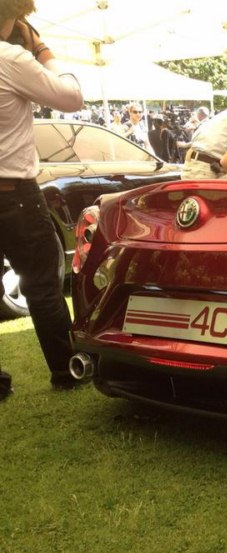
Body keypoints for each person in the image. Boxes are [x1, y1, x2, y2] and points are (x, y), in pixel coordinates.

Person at [0, 3, 84, 395]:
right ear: (17, 17)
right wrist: (41, 48)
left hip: (12, 192)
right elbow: (71, 97)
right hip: (13, 193)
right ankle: (67, 370)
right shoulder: (11, 57)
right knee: (42, 286)